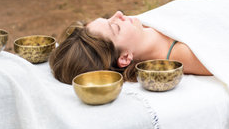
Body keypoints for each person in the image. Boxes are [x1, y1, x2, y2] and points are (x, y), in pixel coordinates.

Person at [49, 10, 212, 84]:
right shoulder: (180, 54)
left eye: (108, 19)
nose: (119, 14)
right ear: (125, 58)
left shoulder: (141, 26)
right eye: (116, 27)